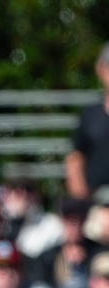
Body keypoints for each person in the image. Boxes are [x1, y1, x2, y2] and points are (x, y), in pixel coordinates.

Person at [65, 42, 109, 199]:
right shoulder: (90, 114)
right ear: (100, 69)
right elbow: (75, 159)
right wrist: (82, 202)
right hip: (96, 203)